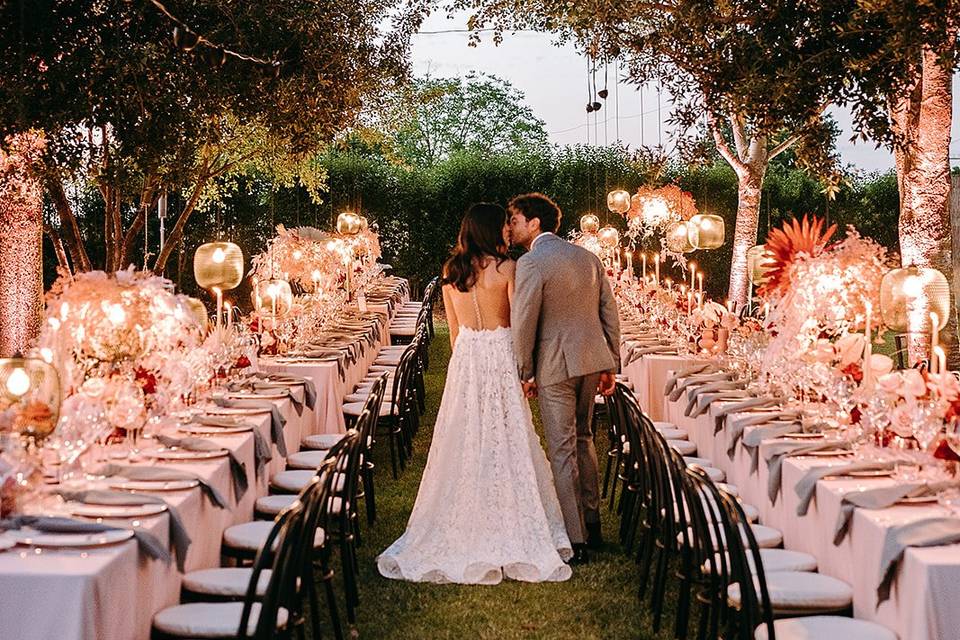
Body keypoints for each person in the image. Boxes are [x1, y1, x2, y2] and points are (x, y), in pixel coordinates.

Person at [377, 202, 572, 585]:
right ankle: (507, 515)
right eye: (502, 226)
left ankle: (466, 515)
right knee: (507, 435)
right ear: (488, 230)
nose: (506, 232)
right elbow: (519, 325)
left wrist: (466, 359)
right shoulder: (508, 269)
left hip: (466, 358)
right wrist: (525, 370)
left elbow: (451, 333)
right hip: (500, 355)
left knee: (465, 436)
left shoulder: (451, 273)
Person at [508, 192, 621, 565]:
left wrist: (524, 370)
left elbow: (524, 322)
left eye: (515, 219)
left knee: (561, 448)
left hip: (555, 365)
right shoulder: (588, 257)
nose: (511, 226)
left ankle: (575, 538)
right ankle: (593, 521)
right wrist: (611, 362)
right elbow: (609, 311)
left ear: (534, 223)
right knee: (585, 437)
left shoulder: (531, 263)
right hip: (592, 360)